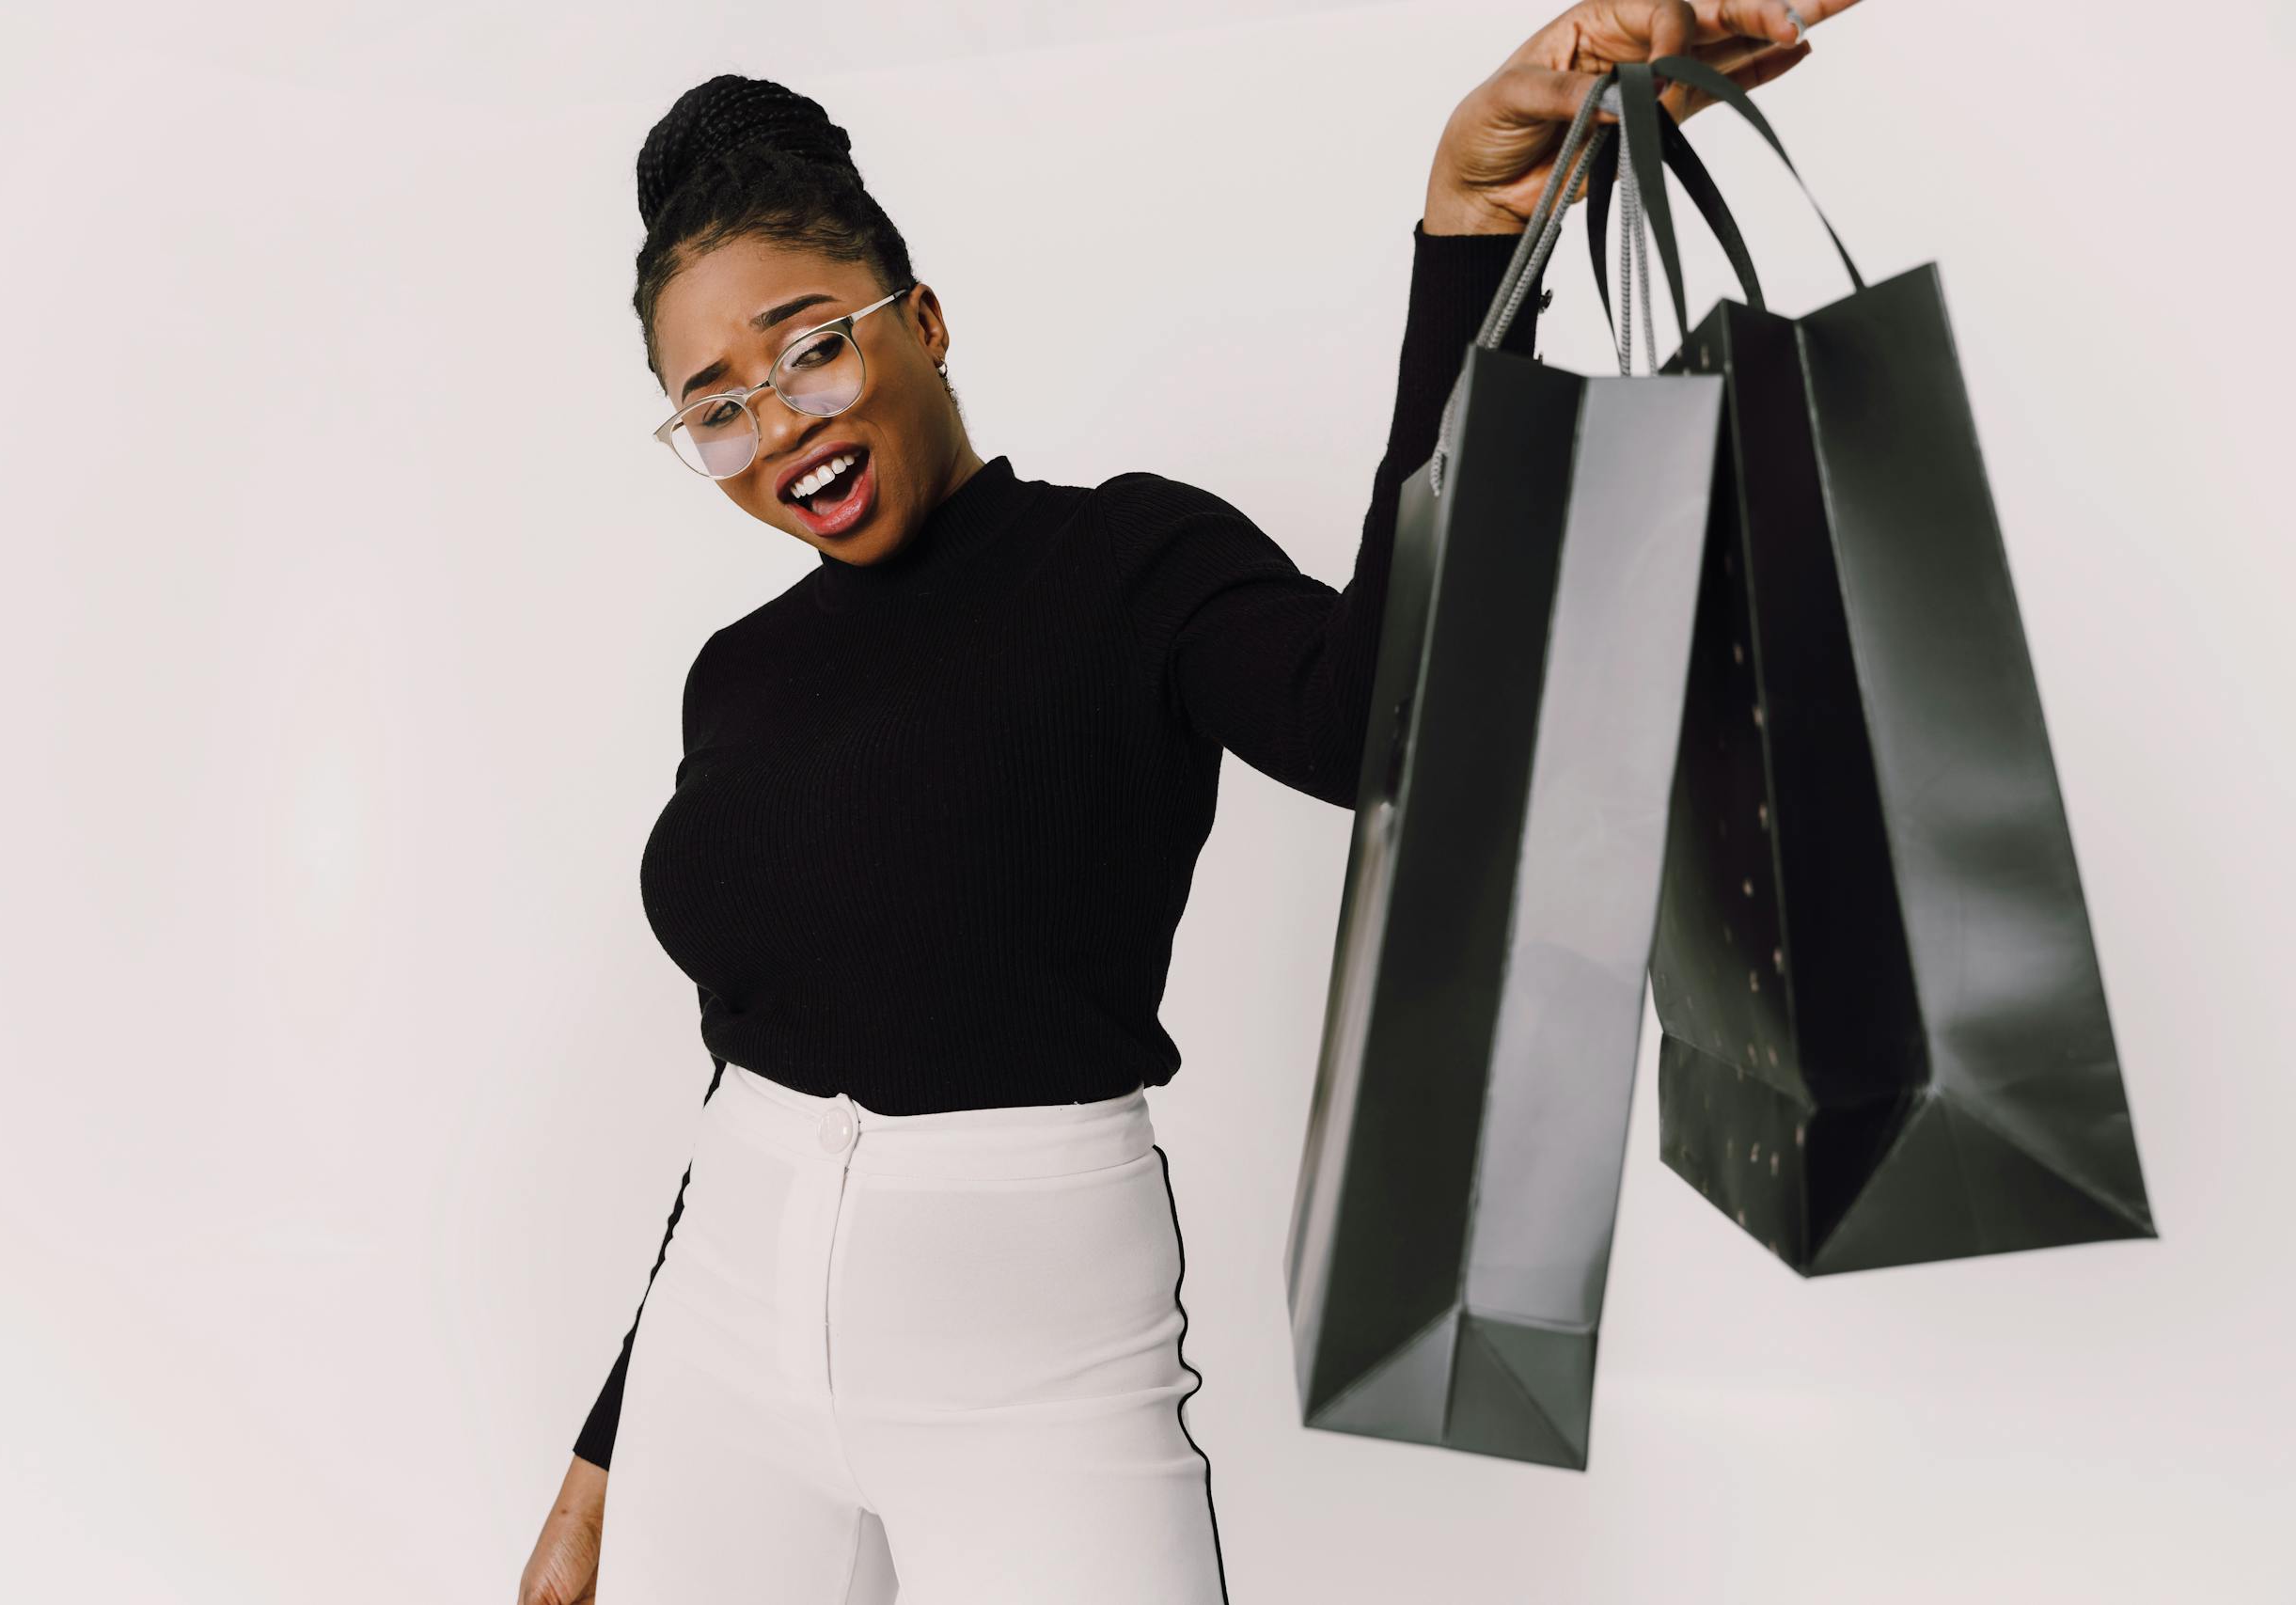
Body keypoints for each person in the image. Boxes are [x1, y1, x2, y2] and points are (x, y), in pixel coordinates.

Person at [518, 3, 1850, 1600]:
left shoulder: (1128, 568)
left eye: (810, 345)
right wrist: (609, 1452)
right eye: (716, 405)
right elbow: (752, 1074)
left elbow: (1383, 725)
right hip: (717, 1364)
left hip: (1037, 1378)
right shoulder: (735, 675)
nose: (779, 423)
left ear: (922, 319)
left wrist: (1471, 235)